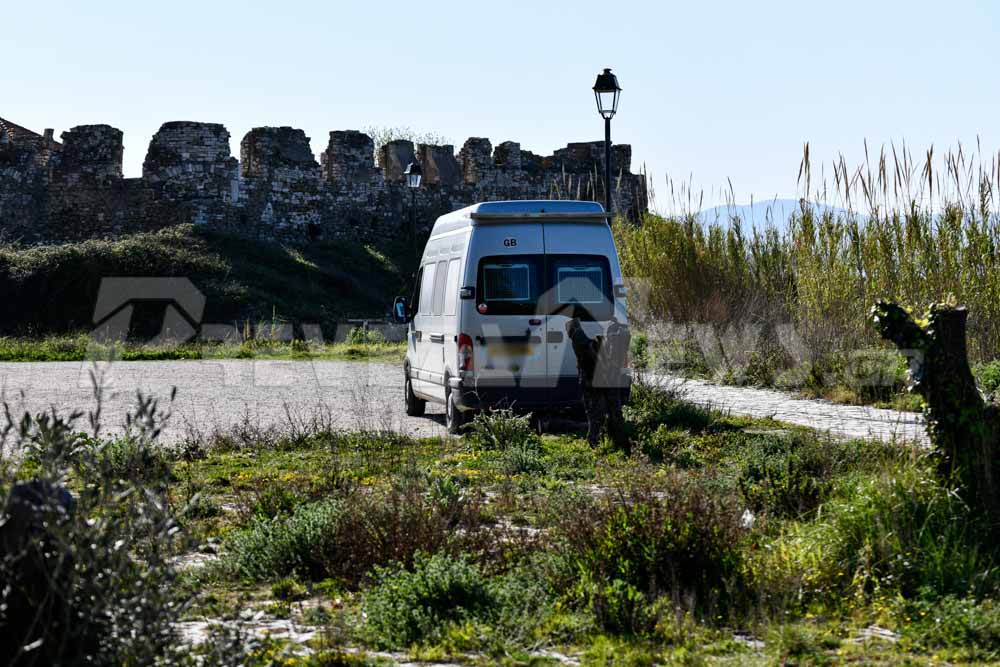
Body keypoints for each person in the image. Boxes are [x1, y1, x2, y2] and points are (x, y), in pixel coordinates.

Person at [565, 317, 630, 445]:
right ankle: (617, 439)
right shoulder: (613, 341)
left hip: (592, 381)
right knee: (613, 413)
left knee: (596, 416)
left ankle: (597, 442)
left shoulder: (582, 341)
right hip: (606, 379)